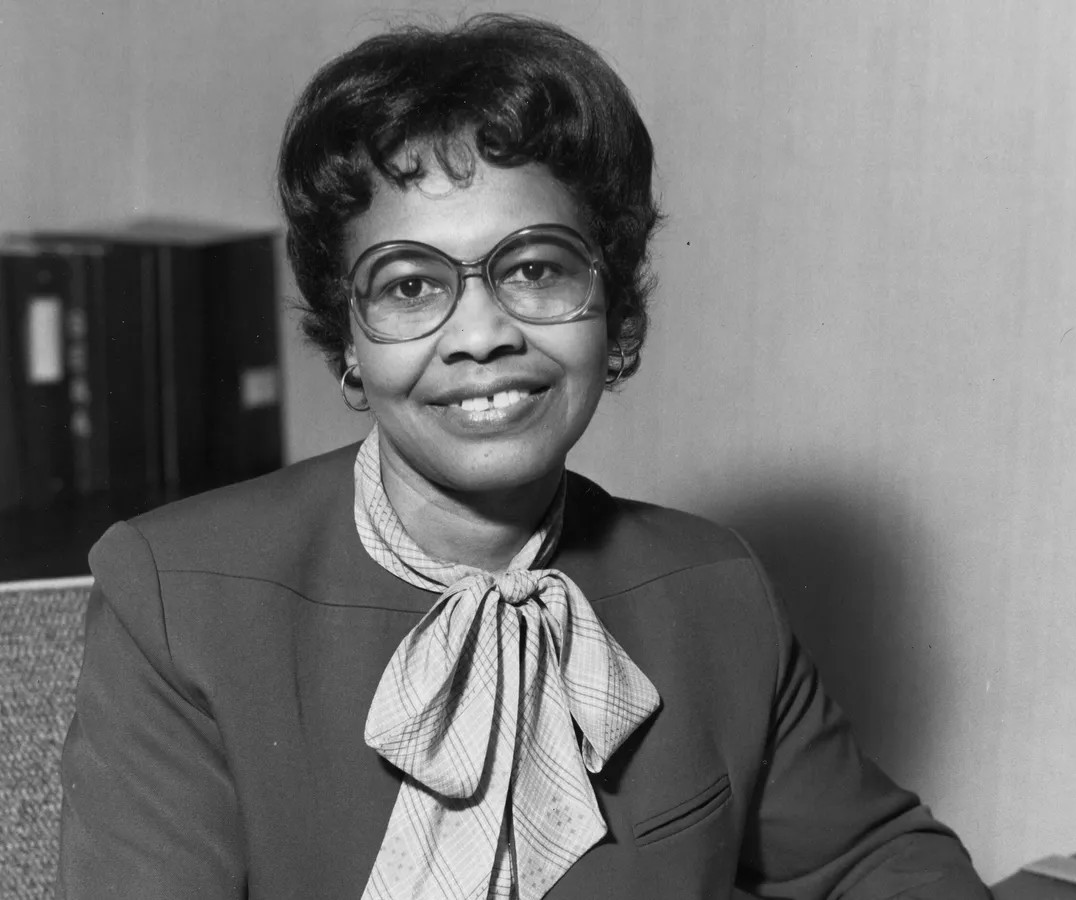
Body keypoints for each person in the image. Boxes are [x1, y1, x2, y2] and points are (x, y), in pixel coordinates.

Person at [58, 14, 990, 900]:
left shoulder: (714, 587)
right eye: (411, 284)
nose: (480, 336)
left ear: (616, 320)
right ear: (347, 343)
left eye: (536, 268)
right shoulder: (177, 599)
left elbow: (875, 859)